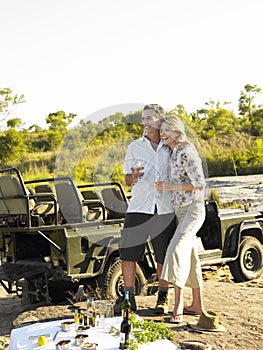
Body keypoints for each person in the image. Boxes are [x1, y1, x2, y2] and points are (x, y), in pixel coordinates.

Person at [119, 104, 176, 314]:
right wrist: (133, 177)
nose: (144, 122)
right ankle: (128, 298)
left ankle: (163, 297)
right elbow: (126, 180)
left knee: (163, 255)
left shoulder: (170, 146)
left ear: (160, 120)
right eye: (143, 118)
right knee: (128, 254)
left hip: (164, 208)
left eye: (149, 118)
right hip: (139, 206)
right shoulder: (134, 147)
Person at [155, 115, 206, 323]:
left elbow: (199, 183)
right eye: (161, 131)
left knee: (176, 250)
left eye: (167, 130)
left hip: (193, 210)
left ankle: (177, 306)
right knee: (191, 255)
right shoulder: (173, 151)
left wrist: (170, 187)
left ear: (177, 131)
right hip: (180, 211)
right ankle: (197, 305)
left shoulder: (186, 150)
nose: (162, 134)